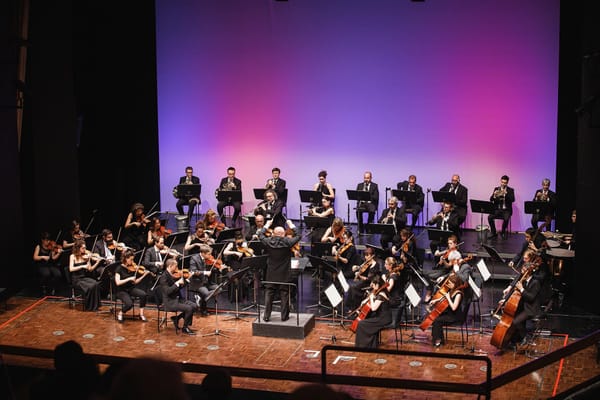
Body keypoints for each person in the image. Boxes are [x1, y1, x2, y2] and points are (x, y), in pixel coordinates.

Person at [498, 250, 546, 347]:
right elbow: (514, 292)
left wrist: (522, 289)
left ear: (528, 273)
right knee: (514, 318)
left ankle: (526, 338)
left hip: (531, 309)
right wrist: (505, 300)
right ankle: (516, 339)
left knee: (515, 322)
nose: (521, 274)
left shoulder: (535, 282)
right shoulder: (524, 281)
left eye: (523, 272)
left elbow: (531, 298)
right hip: (524, 306)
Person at [258, 217, 300, 322]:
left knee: (269, 294)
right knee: (284, 294)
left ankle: (266, 316)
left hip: (271, 273)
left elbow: (260, 235)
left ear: (274, 233)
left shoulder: (269, 241)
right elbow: (299, 235)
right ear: (283, 234)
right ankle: (284, 316)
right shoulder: (288, 242)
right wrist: (291, 225)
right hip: (284, 274)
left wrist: (267, 225)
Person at [159, 258, 199, 335]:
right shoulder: (164, 277)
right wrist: (177, 283)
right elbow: (167, 291)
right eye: (175, 266)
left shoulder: (172, 274)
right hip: (169, 302)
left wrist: (187, 280)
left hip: (177, 299)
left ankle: (177, 318)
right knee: (189, 308)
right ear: (170, 266)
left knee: (194, 306)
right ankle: (185, 328)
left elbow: (178, 288)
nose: (177, 269)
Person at [354, 274, 391, 349]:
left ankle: (362, 346)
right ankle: (371, 345)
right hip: (380, 316)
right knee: (366, 320)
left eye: (373, 285)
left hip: (383, 319)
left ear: (377, 284)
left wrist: (371, 298)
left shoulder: (381, 294)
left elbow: (374, 308)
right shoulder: (380, 291)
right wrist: (365, 301)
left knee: (361, 324)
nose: (372, 287)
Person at [114, 249, 150, 323]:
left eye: (133, 259)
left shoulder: (132, 268)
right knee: (129, 304)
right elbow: (117, 283)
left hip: (130, 289)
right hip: (121, 290)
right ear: (126, 259)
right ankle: (120, 313)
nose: (133, 262)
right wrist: (129, 278)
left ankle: (141, 314)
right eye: (131, 260)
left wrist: (144, 275)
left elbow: (135, 282)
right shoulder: (119, 268)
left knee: (143, 295)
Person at [430, 273, 465, 347]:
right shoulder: (452, 290)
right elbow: (445, 297)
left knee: (437, 320)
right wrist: (436, 300)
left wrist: (448, 298)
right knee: (434, 317)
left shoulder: (458, 294)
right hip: (450, 313)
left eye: (451, 283)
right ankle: (439, 339)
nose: (449, 284)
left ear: (455, 284)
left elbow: (454, 307)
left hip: (454, 316)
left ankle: (438, 340)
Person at [69, 239, 102, 311]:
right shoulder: (72, 256)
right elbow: (71, 269)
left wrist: (97, 262)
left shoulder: (86, 257)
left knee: (96, 284)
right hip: (76, 280)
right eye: (83, 248)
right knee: (90, 286)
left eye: (85, 248)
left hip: (83, 278)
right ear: (78, 248)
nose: (85, 250)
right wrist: (82, 266)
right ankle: (89, 307)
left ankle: (95, 306)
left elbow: (90, 269)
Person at [347, 246, 380, 311]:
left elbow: (369, 279)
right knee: (351, 286)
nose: (366, 257)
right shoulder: (367, 262)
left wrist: (359, 276)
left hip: (369, 283)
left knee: (353, 288)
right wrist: (357, 267)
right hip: (363, 281)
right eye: (365, 255)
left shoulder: (375, 265)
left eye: (367, 255)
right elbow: (362, 269)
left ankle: (355, 308)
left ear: (372, 255)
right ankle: (350, 307)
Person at [188, 243, 217, 316]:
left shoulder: (207, 259)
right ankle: (203, 308)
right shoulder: (194, 259)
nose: (210, 256)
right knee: (206, 293)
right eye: (208, 254)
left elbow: (210, 269)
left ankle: (200, 299)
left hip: (206, 281)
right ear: (203, 253)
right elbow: (193, 271)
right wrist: (204, 272)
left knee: (218, 288)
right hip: (197, 283)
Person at [382, 257, 408, 329]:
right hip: (393, 297)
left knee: (379, 301)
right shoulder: (392, 273)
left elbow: (388, 289)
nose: (384, 265)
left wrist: (384, 280)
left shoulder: (393, 276)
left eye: (386, 264)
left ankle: (384, 320)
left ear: (390, 265)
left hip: (394, 300)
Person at [488, 175, 515, 240]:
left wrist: (506, 194)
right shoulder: (496, 189)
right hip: (498, 209)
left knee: (506, 219)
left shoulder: (510, 190)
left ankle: (503, 232)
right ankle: (494, 232)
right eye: (502, 182)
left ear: (507, 182)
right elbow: (491, 199)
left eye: (505, 183)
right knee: (490, 217)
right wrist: (494, 195)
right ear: (500, 181)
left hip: (506, 210)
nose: (503, 184)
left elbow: (513, 199)